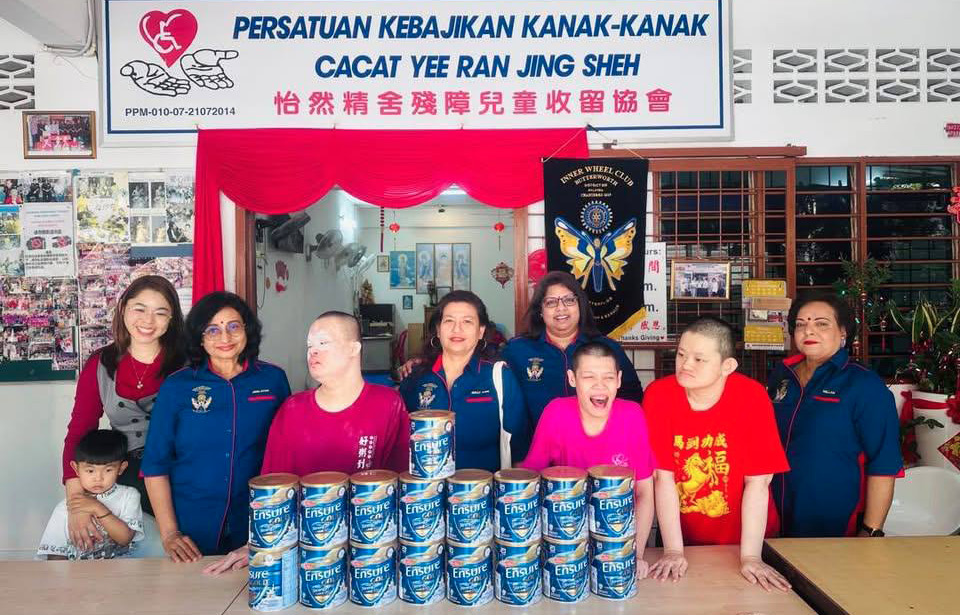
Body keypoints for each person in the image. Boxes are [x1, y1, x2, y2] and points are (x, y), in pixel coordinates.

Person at [204, 311, 411, 575]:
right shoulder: (293, 409)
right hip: (305, 553)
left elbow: (403, 482)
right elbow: (273, 489)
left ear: (353, 349)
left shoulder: (387, 404)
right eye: (309, 346)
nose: (313, 351)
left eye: (323, 343)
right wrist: (254, 544)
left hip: (371, 552)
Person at [644, 317, 791, 591]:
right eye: (681, 355)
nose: (686, 365)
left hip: (749, 540)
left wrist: (750, 557)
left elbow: (758, 483)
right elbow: (663, 478)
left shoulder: (752, 397)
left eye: (699, 359)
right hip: (683, 538)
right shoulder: (658, 395)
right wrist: (674, 550)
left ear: (728, 366)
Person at [142, 291, 290, 561]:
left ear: (247, 330)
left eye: (234, 326)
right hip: (192, 526)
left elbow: (287, 452)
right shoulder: (177, 386)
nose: (225, 337)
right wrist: (170, 533)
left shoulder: (273, 379)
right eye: (212, 330)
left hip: (258, 520)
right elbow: (155, 463)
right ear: (199, 337)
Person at [61, 275, 184, 552]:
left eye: (160, 312)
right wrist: (76, 504)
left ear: (172, 319)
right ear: (124, 309)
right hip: (123, 474)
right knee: (125, 553)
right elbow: (79, 432)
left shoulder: (188, 364)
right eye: (140, 308)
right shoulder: (100, 364)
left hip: (180, 471)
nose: (148, 320)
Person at [768, 292, 902, 538]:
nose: (809, 331)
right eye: (801, 324)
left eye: (821, 324)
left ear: (842, 333)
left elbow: (884, 462)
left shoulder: (864, 384)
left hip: (833, 519)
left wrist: (870, 530)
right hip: (772, 513)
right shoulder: (783, 375)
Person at [520, 342, 655, 578]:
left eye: (608, 377)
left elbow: (645, 492)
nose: (599, 386)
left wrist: (636, 554)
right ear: (572, 379)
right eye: (589, 377)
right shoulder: (556, 412)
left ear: (619, 380)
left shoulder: (632, 415)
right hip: (565, 537)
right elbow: (530, 485)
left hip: (620, 536)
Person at [399, 290, 530, 472]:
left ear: (480, 331)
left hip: (483, 486)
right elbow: (398, 442)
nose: (457, 329)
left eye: (467, 321)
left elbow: (519, 448)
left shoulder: (500, 376)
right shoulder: (416, 377)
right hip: (427, 488)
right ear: (438, 329)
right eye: (449, 321)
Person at [501, 270, 643, 427]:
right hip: (536, 440)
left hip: (596, 438)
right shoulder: (517, 350)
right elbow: (504, 401)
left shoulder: (607, 348)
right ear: (540, 310)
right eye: (551, 302)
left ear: (580, 305)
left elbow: (632, 396)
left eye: (569, 300)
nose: (561, 308)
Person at [38, 430, 144, 560]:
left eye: (108, 470)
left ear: (121, 468)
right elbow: (55, 557)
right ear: (76, 469)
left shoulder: (129, 496)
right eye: (90, 471)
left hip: (120, 571)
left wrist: (97, 508)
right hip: (77, 572)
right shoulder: (66, 508)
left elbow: (125, 539)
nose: (98, 478)